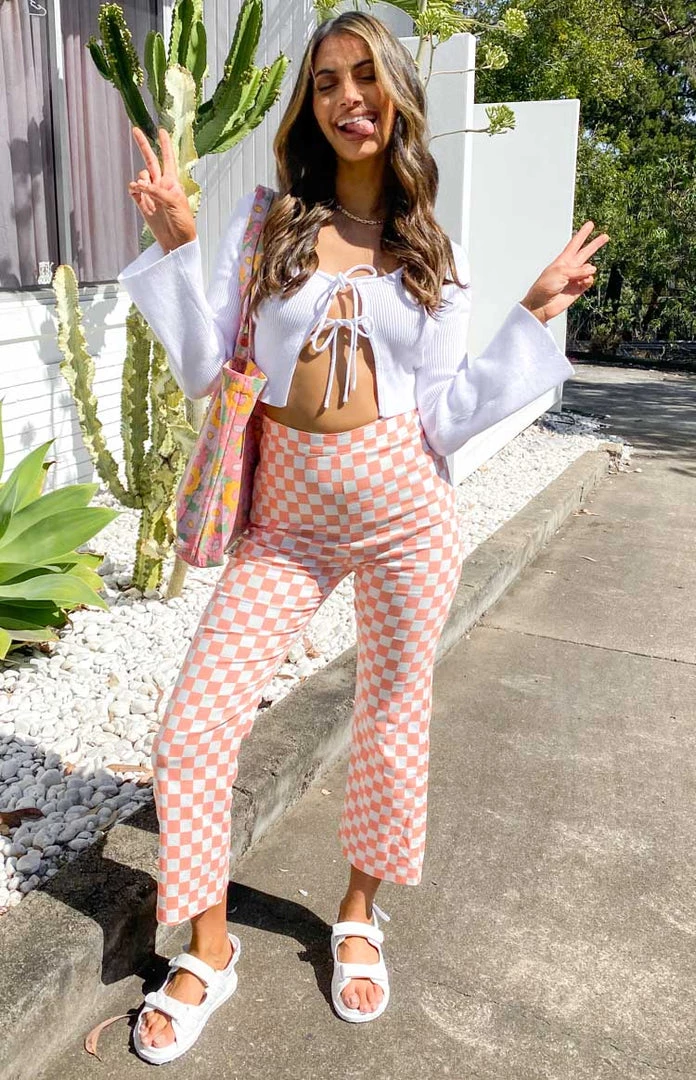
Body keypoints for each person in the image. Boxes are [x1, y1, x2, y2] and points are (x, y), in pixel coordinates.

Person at [118, 9, 608, 1064]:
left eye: (368, 77)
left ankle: (355, 914)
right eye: (329, 81)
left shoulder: (430, 250)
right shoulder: (269, 227)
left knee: (390, 722)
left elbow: (450, 414)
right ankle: (207, 949)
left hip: (403, 512)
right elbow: (210, 370)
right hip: (285, 516)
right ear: (310, 106)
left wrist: (532, 312)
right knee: (193, 729)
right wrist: (178, 244)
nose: (350, 98)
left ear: (398, 99)